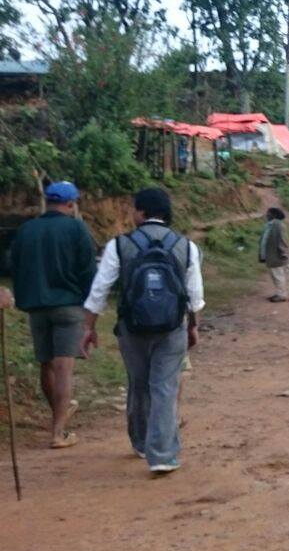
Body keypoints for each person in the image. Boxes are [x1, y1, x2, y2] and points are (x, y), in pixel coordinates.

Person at [83, 187, 204, 475]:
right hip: (172, 327)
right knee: (163, 386)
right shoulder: (186, 246)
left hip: (131, 328)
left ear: (140, 212)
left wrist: (89, 327)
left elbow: (100, 289)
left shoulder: (119, 245)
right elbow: (195, 294)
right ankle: (162, 454)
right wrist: (193, 326)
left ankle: (140, 442)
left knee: (138, 383)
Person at [7, 181, 97, 449]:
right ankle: (58, 432)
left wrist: (23, 297)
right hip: (69, 306)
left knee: (46, 364)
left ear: (47, 202)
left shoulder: (27, 230)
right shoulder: (76, 228)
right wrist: (91, 311)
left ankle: (58, 416)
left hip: (37, 307)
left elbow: (15, 266)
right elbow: (88, 271)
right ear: (70, 204)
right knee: (64, 367)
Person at [260, 207, 289, 302]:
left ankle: (282, 295)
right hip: (271, 254)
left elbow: (282, 240)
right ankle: (279, 293)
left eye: (268, 213)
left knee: (278, 275)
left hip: (276, 255)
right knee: (275, 274)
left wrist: (283, 253)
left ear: (274, 215)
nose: (267, 215)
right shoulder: (271, 225)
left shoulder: (278, 225)